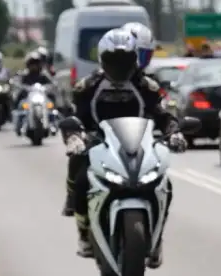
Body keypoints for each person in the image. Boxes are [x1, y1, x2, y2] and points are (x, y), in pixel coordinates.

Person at [61, 28, 185, 262]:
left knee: (164, 185)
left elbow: (162, 114)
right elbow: (73, 116)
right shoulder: (87, 86)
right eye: (113, 61)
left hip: (139, 145)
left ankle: (156, 239)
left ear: (134, 59)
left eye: (124, 60)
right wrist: (74, 136)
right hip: (98, 144)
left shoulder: (146, 86)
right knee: (80, 180)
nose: (119, 67)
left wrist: (174, 132)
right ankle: (84, 234)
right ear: (102, 60)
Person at [12, 52, 56, 135]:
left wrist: (48, 87)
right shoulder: (25, 75)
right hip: (28, 97)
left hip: (42, 96)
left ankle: (53, 123)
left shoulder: (43, 75)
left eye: (36, 64)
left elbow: (52, 83)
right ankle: (19, 124)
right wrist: (22, 87)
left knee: (51, 103)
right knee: (19, 102)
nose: (34, 66)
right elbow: (18, 83)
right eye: (32, 64)